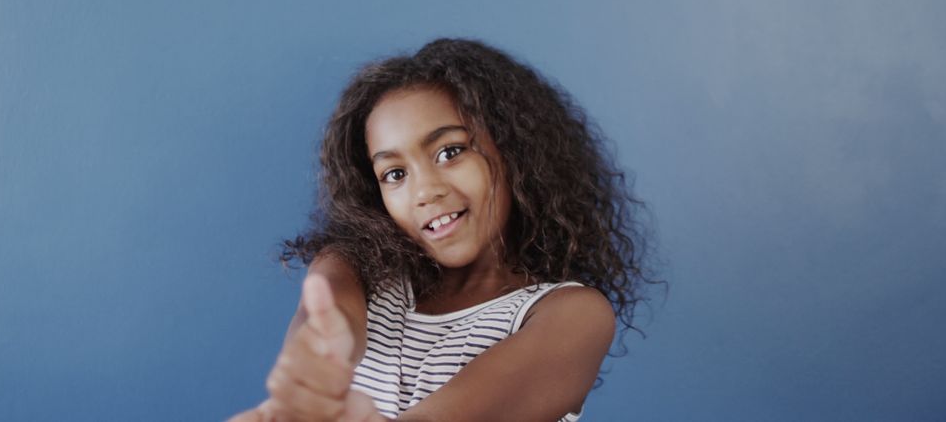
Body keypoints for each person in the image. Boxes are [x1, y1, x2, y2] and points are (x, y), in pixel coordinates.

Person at [228, 38, 660, 421]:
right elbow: (326, 319)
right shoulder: (356, 271)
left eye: (449, 151)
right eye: (394, 174)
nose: (424, 191)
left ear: (515, 153)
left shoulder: (571, 315)